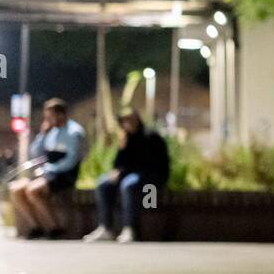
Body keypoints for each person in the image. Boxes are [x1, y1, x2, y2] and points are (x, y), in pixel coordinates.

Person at [84, 109, 170, 243]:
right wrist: (117, 166)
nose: (127, 124)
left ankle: (129, 229)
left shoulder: (151, 136)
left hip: (150, 178)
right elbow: (119, 163)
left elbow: (146, 164)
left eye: (130, 120)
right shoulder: (126, 138)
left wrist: (122, 172)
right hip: (130, 175)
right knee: (103, 184)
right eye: (124, 121)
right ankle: (105, 228)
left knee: (128, 185)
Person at [9, 98, 87, 239]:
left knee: (33, 190)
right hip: (46, 173)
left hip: (64, 174)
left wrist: (49, 169)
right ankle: (36, 226)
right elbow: (35, 152)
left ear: (61, 114)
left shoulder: (74, 132)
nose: (49, 120)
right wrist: (42, 134)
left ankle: (55, 227)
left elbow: (71, 160)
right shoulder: (51, 132)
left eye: (51, 116)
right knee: (16, 189)